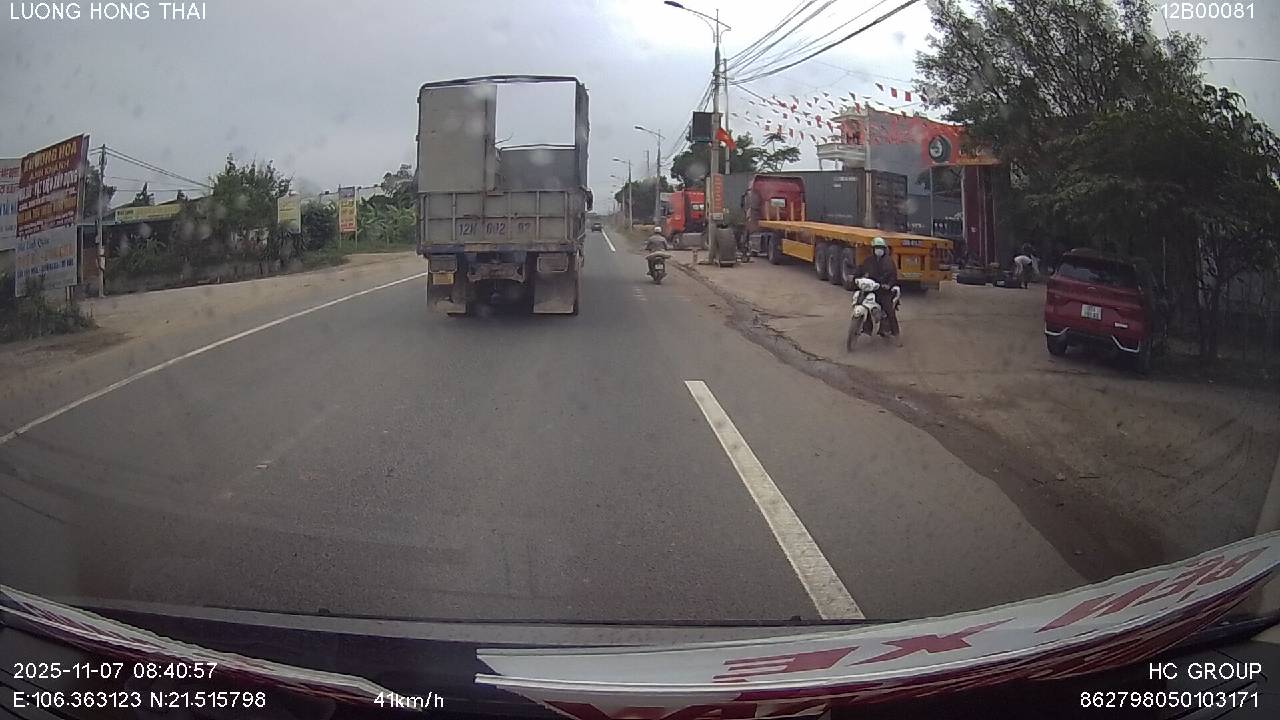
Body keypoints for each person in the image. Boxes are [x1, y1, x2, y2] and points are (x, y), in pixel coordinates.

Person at [855, 237, 901, 343]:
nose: (878, 250)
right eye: (876, 248)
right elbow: (860, 270)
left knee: (889, 311)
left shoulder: (889, 262)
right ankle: (866, 328)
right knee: (860, 300)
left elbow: (893, 276)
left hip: (883, 291)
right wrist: (855, 277)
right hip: (870, 289)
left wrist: (888, 285)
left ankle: (897, 335)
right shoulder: (868, 261)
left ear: (884, 249)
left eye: (880, 248)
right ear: (873, 249)